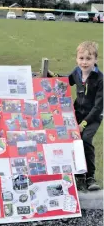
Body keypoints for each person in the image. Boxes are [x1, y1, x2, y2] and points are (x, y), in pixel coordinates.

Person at [47, 41, 103, 191]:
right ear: (77, 59)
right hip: (77, 113)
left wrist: (83, 124)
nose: (84, 62)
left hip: (93, 117)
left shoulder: (100, 79)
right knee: (74, 142)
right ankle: (79, 176)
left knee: (85, 140)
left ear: (95, 60)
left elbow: (98, 107)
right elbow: (66, 81)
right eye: (81, 58)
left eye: (88, 59)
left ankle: (90, 177)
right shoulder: (77, 72)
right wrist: (52, 76)